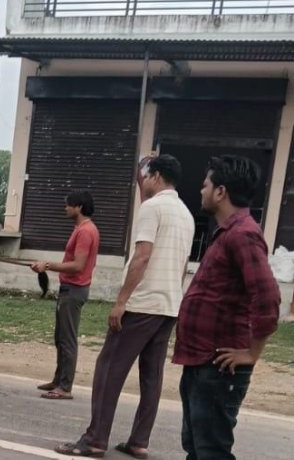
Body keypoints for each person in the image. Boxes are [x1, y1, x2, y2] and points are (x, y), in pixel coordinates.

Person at [53, 155, 195, 458]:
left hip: (142, 303)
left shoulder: (152, 208)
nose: (140, 182)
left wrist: (121, 302)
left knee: (108, 368)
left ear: (155, 176)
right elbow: (182, 265)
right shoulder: (185, 213)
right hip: (168, 304)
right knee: (151, 376)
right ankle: (139, 441)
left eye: (142, 176)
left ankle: (95, 439)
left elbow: (142, 256)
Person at [175, 155, 280, 459]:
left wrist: (251, 353)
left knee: (211, 451)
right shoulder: (227, 233)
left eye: (205, 185)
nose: (201, 191)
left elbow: (268, 297)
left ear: (221, 192)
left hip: (218, 367)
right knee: (196, 447)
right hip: (201, 360)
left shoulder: (243, 235)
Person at [30, 191, 100, 401]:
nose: (65, 208)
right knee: (60, 337)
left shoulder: (86, 231)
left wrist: (47, 265)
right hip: (68, 289)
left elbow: (78, 266)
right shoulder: (81, 228)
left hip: (74, 290)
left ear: (78, 207)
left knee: (67, 339)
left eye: (68, 205)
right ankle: (59, 379)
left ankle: (65, 387)